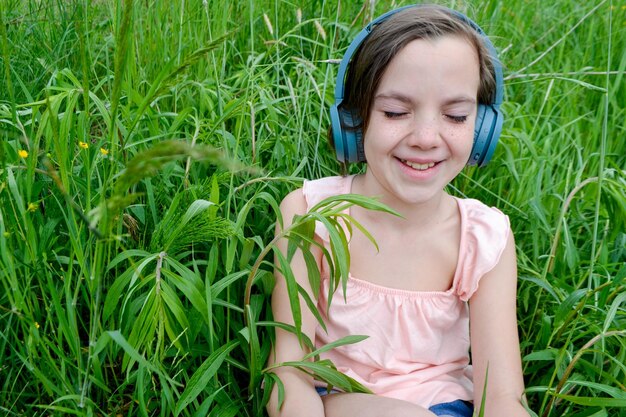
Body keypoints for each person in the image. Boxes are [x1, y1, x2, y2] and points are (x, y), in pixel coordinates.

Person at [266, 4, 529, 417]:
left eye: (456, 115)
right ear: (354, 120)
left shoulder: (483, 237)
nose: (426, 138)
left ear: (481, 129)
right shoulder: (309, 215)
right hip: (333, 404)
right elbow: (289, 372)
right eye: (395, 112)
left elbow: (502, 398)